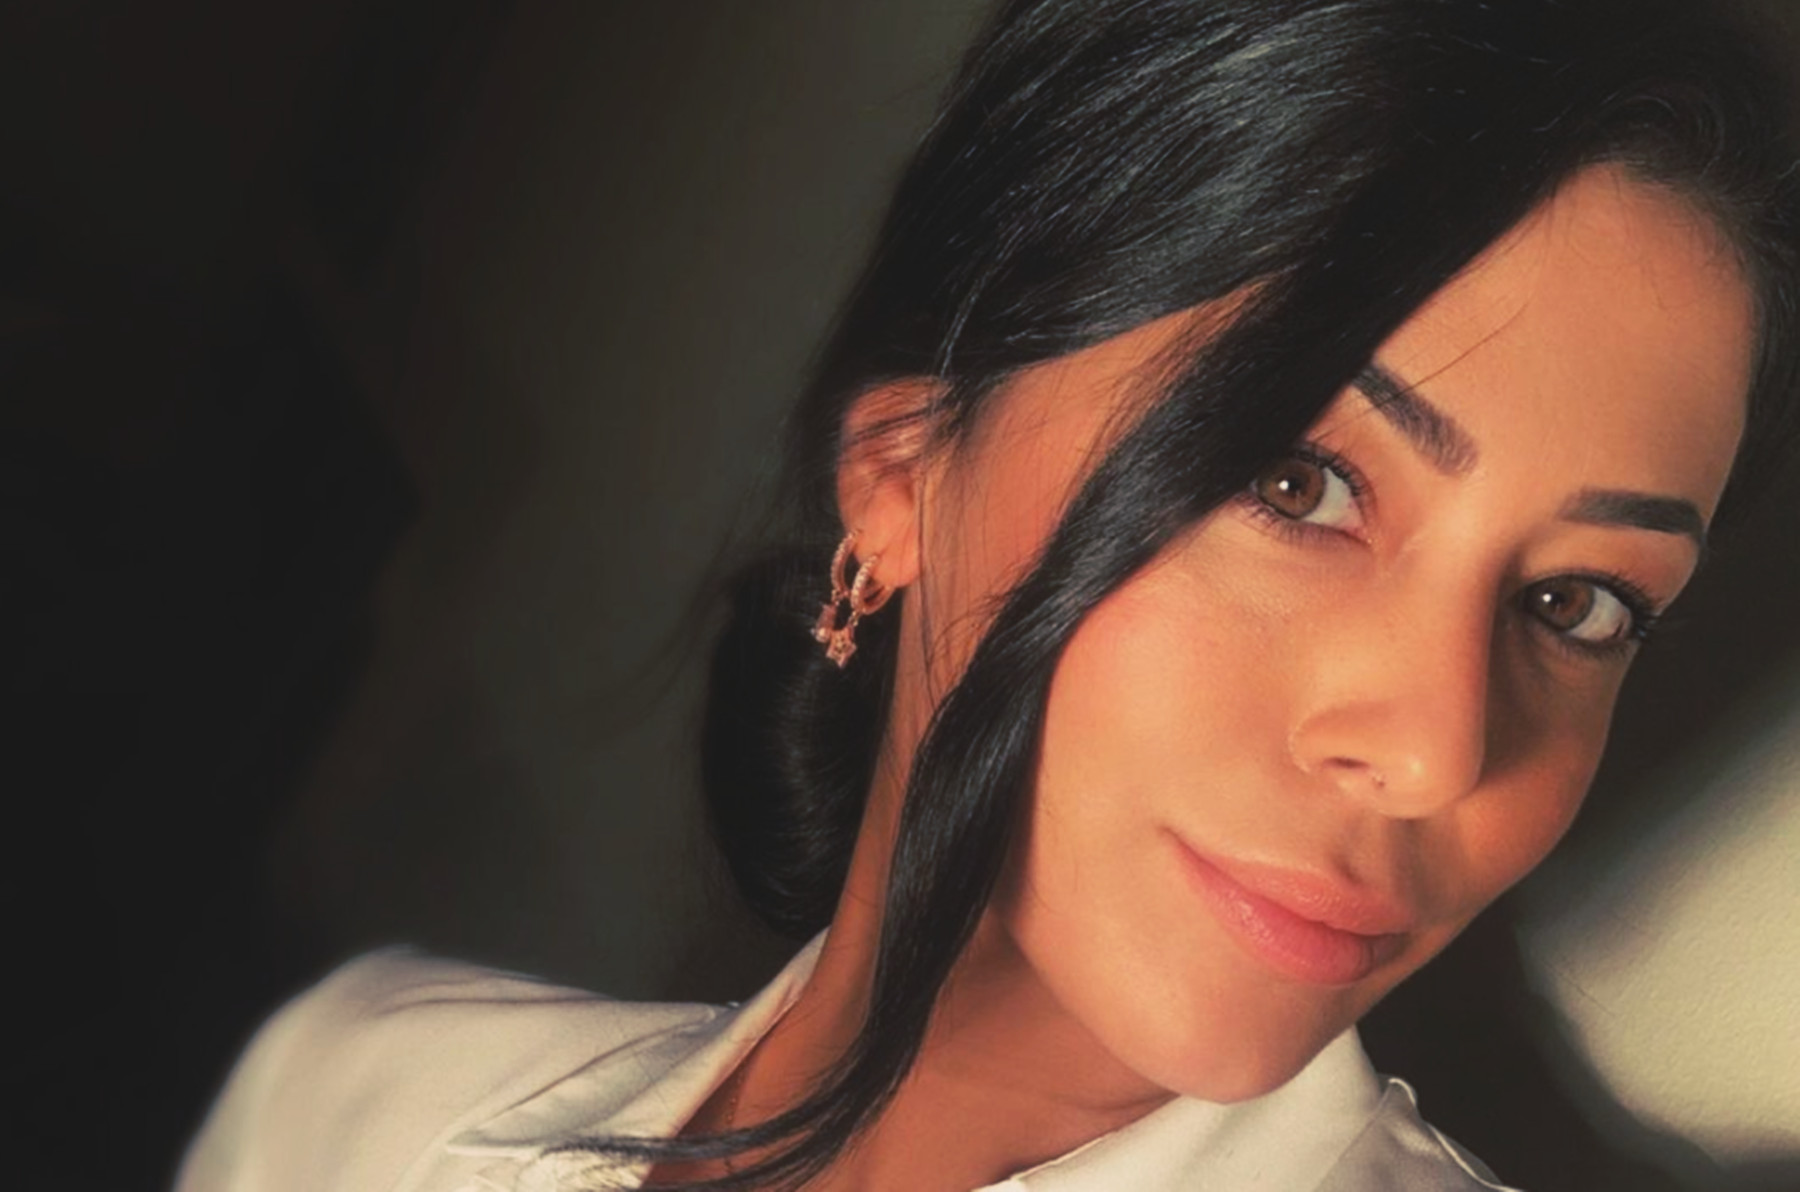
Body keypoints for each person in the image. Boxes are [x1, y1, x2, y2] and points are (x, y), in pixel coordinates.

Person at [177, 0, 1800, 1189]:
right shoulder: (357, 1101)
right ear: (900, 473)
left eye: (1583, 604)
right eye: (1297, 482)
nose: (1440, 750)